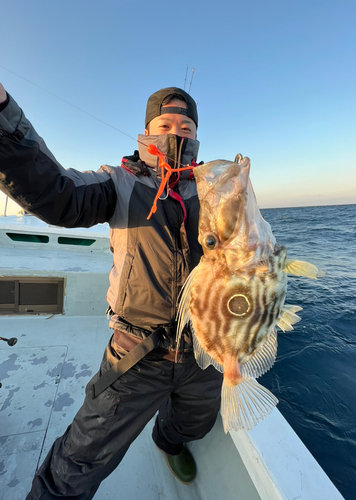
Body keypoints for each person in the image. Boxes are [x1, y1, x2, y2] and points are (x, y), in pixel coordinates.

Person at [0, 84, 223, 499]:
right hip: (137, 350)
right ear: (147, 130)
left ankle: (168, 439)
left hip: (203, 349)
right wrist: (3, 116)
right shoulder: (118, 182)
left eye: (187, 125)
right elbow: (58, 195)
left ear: (197, 135)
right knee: (78, 462)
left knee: (197, 421)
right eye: (166, 123)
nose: (178, 132)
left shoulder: (213, 191)